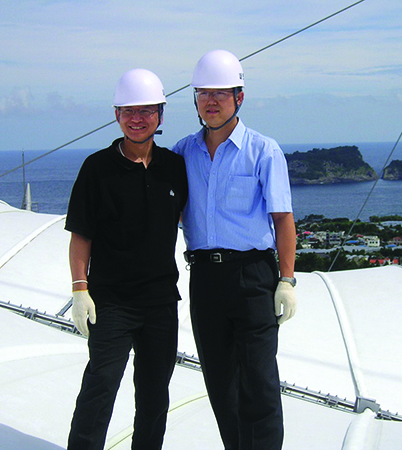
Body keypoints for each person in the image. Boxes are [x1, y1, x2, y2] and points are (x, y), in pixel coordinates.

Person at [172, 49, 297, 450]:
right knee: (220, 381)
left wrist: (287, 280)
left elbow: (283, 220)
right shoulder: (182, 152)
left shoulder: (263, 150)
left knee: (259, 381)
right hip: (205, 278)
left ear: (238, 98)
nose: (211, 101)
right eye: (203, 93)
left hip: (252, 276)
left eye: (220, 93)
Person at [65, 68, 187, 450]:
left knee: (155, 395)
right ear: (116, 115)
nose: (137, 119)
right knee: (99, 388)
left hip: (161, 302)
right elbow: (81, 235)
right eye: (129, 111)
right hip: (112, 302)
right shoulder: (96, 168)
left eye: (146, 111)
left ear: (160, 115)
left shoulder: (174, 167)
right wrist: (80, 289)